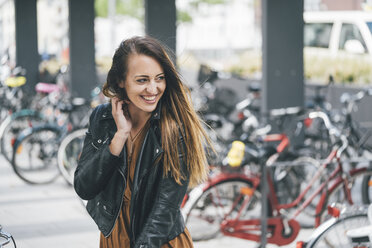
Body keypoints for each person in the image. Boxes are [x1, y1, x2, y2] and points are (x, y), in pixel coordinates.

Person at [74, 36, 212, 248]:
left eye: (159, 78)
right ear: (120, 80)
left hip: (158, 242)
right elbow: (84, 187)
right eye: (142, 80)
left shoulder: (174, 128)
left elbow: (164, 211)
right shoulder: (102, 118)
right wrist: (118, 137)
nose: (153, 89)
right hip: (113, 239)